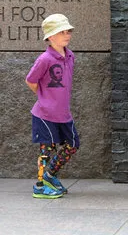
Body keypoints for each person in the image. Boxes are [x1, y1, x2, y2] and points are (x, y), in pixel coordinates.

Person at [26, 13, 79, 199]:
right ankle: (40, 186)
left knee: (72, 145)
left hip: (64, 114)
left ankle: (50, 176)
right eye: (61, 32)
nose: (67, 35)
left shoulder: (70, 56)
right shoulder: (45, 59)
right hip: (45, 114)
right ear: (50, 37)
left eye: (68, 31)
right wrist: (44, 98)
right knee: (46, 150)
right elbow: (31, 80)